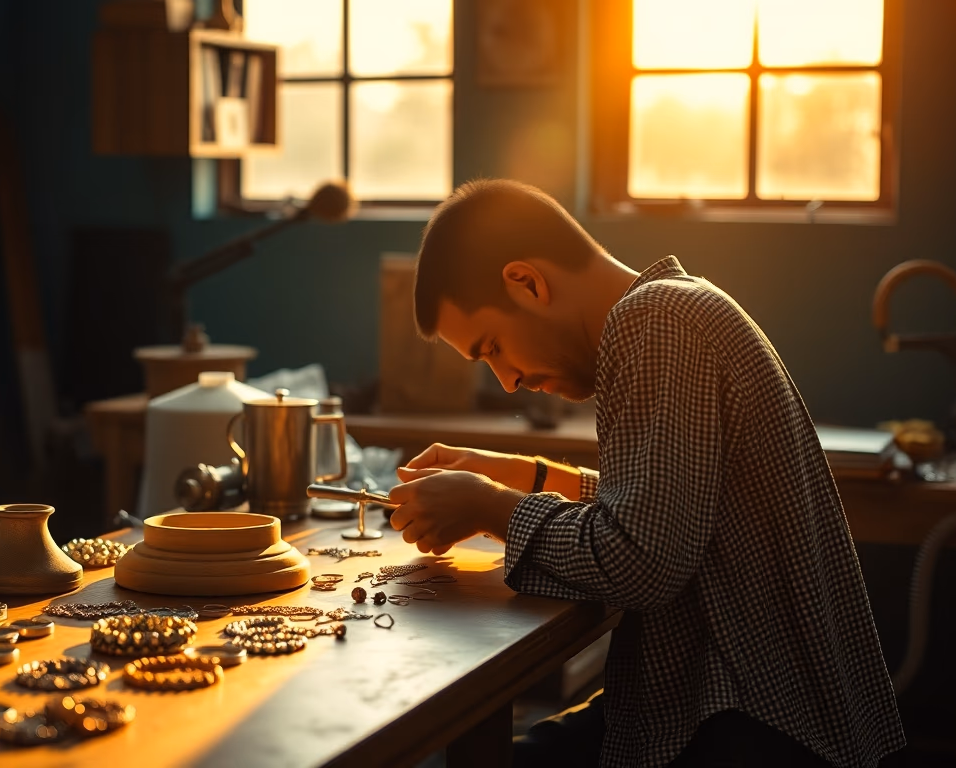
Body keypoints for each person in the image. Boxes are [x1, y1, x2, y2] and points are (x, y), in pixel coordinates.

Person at [386, 179, 904, 767]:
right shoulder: (678, 304)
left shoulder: (655, 321)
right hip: (717, 698)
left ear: (527, 283)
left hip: (749, 720)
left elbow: (639, 560)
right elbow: (667, 507)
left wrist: (488, 506)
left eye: (493, 347)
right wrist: (526, 476)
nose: (507, 381)